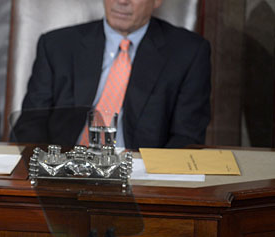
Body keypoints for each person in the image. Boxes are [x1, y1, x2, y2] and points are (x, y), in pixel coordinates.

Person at [12, 0, 211, 149]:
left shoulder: (188, 53)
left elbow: (186, 136)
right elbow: (31, 122)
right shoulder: (57, 46)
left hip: (139, 183)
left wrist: (153, 179)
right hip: (64, 176)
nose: (122, 1)